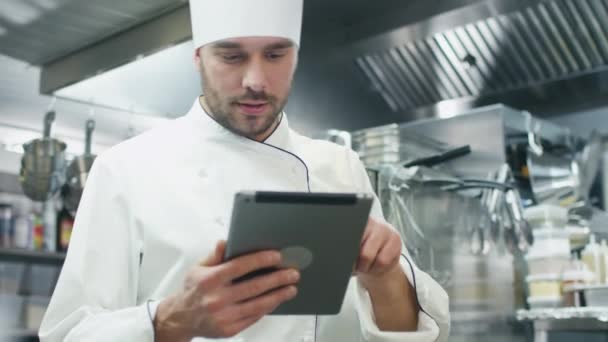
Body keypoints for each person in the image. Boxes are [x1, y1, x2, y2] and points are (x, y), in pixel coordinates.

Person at [39, 1, 449, 341]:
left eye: (275, 54)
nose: (255, 80)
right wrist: (170, 319)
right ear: (198, 56)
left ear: (296, 55)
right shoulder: (125, 168)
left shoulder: (340, 165)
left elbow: (410, 331)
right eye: (231, 56)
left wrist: (383, 276)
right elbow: (68, 334)